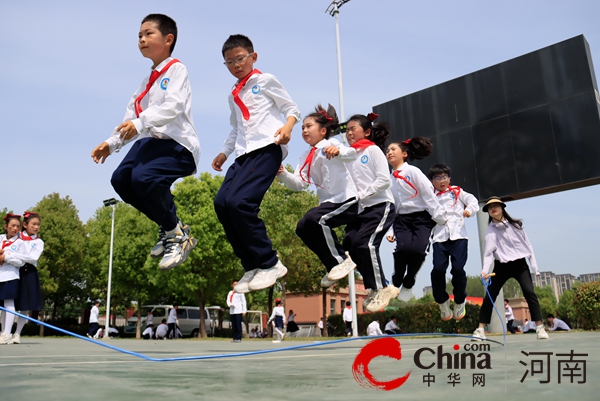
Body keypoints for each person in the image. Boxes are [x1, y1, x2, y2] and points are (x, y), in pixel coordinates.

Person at [90, 14, 200, 271]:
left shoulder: (176, 69)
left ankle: (177, 236)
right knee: (121, 180)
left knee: (143, 178)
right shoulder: (144, 85)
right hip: (150, 143)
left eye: (148, 33)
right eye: (139, 35)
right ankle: (171, 226)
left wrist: (139, 124)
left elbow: (173, 106)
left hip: (177, 145)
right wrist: (111, 143)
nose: (142, 39)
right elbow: (130, 120)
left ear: (168, 39)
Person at [212, 34, 300, 294]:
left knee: (241, 203)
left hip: (268, 148)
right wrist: (224, 153)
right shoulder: (233, 94)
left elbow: (291, 107)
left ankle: (270, 263)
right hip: (243, 153)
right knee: (222, 203)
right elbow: (236, 129)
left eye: (240, 59)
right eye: (229, 62)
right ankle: (251, 264)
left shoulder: (265, 80)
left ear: (253, 56)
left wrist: (288, 128)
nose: (236, 65)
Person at [277, 104, 358, 288]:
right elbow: (299, 184)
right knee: (302, 227)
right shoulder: (305, 155)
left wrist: (338, 151)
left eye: (309, 126)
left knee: (315, 219)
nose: (304, 130)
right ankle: (332, 266)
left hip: (347, 200)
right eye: (302, 127)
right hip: (329, 203)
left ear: (323, 131)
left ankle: (341, 261)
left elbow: (351, 154)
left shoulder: (332, 144)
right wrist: (283, 174)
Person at [343, 113, 399, 313]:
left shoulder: (373, 151)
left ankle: (380, 289)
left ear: (367, 132)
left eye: (353, 129)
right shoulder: (349, 155)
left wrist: (362, 194)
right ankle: (381, 284)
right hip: (360, 210)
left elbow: (384, 180)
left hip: (379, 205)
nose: (349, 133)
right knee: (350, 245)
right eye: (347, 130)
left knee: (366, 244)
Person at [472, 197, 549, 341]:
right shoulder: (490, 231)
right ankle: (480, 329)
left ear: (502, 208)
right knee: (490, 295)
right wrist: (485, 270)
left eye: (496, 205)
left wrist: (534, 267)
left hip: (520, 265)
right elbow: (488, 253)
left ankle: (540, 328)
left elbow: (528, 246)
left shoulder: (516, 225)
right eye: (490, 207)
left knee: (529, 292)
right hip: (501, 266)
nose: (493, 208)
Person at [385, 138, 445, 303]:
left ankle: (409, 282)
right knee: (403, 249)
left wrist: (439, 217)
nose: (389, 152)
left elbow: (428, 194)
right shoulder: (388, 179)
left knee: (418, 251)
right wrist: (390, 230)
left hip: (422, 218)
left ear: (404, 154)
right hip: (401, 219)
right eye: (387, 150)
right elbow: (391, 205)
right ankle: (396, 280)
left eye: (393, 149)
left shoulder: (413, 172)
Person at [428, 164, 479, 321]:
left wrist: (469, 210)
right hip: (439, 237)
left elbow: (473, 201)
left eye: (444, 177)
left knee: (457, 269)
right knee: (437, 270)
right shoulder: (429, 196)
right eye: (437, 178)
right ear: (432, 181)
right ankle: (443, 302)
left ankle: (459, 301)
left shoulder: (457, 191)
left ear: (449, 178)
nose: (441, 181)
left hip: (458, 236)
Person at [7, 212, 45, 345]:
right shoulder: (17, 237)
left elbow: (33, 258)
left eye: (38, 224)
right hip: (14, 270)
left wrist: (15, 254)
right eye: (33, 224)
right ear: (25, 225)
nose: (36, 227)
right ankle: (5, 332)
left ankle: (17, 333)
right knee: (8, 302)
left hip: (29, 273)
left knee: (25, 305)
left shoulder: (38, 242)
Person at [0, 214, 27, 345]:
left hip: (10, 276)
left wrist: (6, 257)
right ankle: (3, 332)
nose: (15, 228)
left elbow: (21, 261)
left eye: (18, 226)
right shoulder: (0, 238)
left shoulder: (20, 243)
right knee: (2, 306)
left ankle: (7, 333)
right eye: (12, 226)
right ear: (6, 227)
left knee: (9, 303)